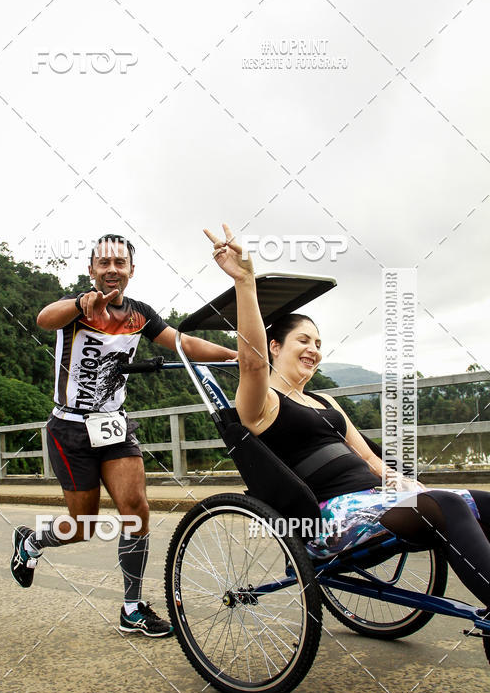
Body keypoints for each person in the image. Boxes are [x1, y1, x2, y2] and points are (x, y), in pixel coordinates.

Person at [205, 223, 490, 610]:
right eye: (303, 340)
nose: (313, 349)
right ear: (275, 346)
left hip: (377, 500)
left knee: (479, 502)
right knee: (451, 506)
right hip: (328, 517)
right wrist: (245, 281)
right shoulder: (263, 403)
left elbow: (370, 459)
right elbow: (252, 364)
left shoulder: (326, 402)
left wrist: (404, 483)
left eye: (319, 344)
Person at [11, 233, 237, 637]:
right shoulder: (76, 308)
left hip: (114, 425)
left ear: (132, 271)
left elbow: (182, 344)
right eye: (104, 263)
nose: (112, 269)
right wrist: (81, 304)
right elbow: (45, 319)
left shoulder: (139, 314)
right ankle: (31, 543)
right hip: (69, 428)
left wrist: (234, 355)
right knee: (83, 525)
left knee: (136, 510)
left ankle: (132, 608)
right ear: (92, 269)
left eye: (121, 263)